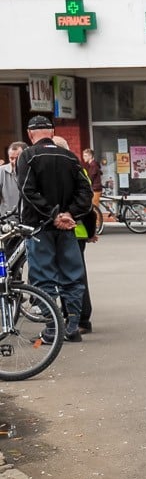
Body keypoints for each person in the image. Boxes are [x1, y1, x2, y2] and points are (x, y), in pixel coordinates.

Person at [16, 115, 92, 342]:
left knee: (43, 277)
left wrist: (53, 214)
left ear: (30, 134)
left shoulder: (28, 156)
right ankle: (73, 326)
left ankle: (52, 329)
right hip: (67, 227)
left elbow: (28, 191)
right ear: (52, 131)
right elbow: (86, 193)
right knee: (73, 276)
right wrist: (69, 214)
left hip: (39, 228)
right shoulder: (70, 157)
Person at [50, 136, 97, 335]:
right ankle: (72, 316)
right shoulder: (74, 168)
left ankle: (82, 319)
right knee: (70, 276)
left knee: (76, 277)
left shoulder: (74, 169)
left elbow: (86, 204)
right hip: (73, 230)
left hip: (74, 231)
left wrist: (90, 231)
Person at [0, 141, 27, 218]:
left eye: (18, 158)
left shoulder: (33, 171)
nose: (14, 162)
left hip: (29, 221)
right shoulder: (1, 171)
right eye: (11, 158)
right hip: (7, 222)